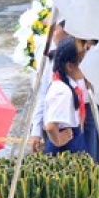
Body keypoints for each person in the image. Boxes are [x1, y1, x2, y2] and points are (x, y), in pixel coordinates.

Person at [42, 38, 91, 155]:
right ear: (70, 66)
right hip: (66, 146)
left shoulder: (69, 86)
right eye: (83, 61)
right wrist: (58, 140)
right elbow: (50, 126)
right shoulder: (62, 91)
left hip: (74, 138)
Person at [30, 20, 68, 153]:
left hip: (75, 127)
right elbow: (42, 93)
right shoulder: (47, 51)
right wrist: (36, 130)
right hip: (57, 127)